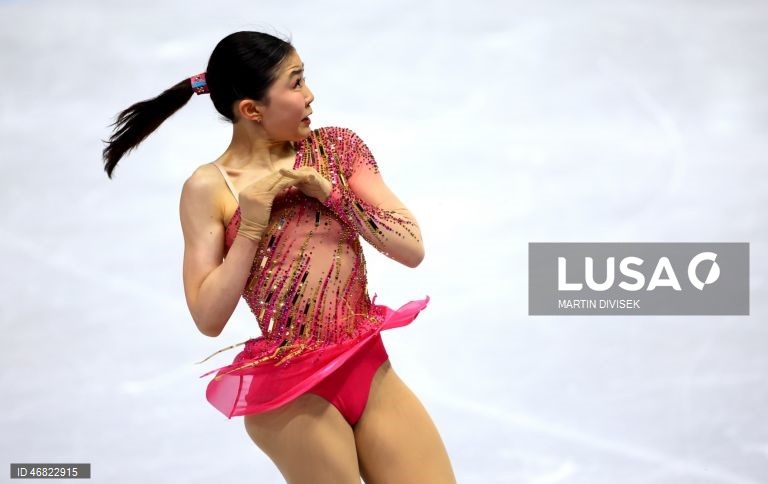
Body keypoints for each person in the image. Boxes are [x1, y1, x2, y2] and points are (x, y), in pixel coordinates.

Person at [102, 30, 457, 483]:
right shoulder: (209, 188)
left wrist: (333, 195)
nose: (309, 96)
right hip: (294, 392)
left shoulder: (337, 149)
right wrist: (250, 224)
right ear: (251, 110)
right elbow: (208, 316)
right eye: (295, 83)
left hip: (369, 366)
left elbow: (411, 246)